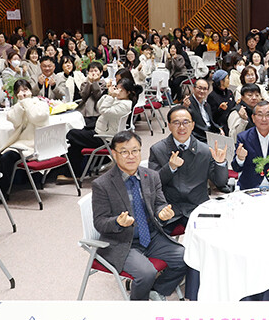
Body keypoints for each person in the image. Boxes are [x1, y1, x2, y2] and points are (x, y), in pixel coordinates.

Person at [91, 130, 187, 301]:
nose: (131, 156)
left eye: (135, 150)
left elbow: (159, 203)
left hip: (151, 235)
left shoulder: (151, 176)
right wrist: (117, 222)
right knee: (146, 272)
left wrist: (162, 212)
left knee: (186, 258)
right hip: (122, 241)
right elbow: (100, 222)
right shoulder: (102, 184)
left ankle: (156, 290)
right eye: (124, 152)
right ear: (114, 153)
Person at [148, 105, 228, 231]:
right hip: (169, 208)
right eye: (176, 123)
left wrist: (220, 163)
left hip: (198, 206)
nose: (181, 127)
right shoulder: (158, 150)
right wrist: (170, 168)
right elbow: (152, 184)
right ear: (169, 125)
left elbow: (220, 182)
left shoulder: (205, 150)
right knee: (156, 238)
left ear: (193, 125)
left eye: (186, 122)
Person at [0, 79, 50, 188]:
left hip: (36, 145)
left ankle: (3, 190)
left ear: (30, 90)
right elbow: (15, 120)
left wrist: (27, 101)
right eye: (19, 91)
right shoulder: (18, 106)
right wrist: (21, 103)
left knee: (6, 158)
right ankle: (1, 189)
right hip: (22, 145)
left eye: (25, 89)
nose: (23, 93)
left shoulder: (41, 104)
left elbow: (35, 117)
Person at [232, 101, 269, 190]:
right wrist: (240, 159)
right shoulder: (243, 138)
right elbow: (236, 168)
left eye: (268, 115)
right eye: (260, 115)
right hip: (250, 188)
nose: (264, 119)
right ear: (253, 118)